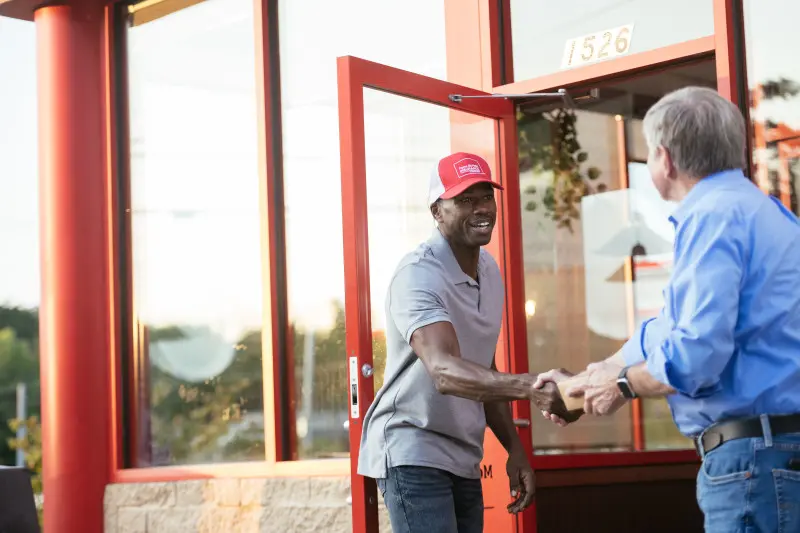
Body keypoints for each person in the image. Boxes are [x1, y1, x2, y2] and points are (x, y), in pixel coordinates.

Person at [536, 86, 800, 533]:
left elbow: (697, 353)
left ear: (665, 158)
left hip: (752, 461)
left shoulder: (711, 217)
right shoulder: (765, 212)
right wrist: (596, 374)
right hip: (774, 454)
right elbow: (672, 328)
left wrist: (621, 384)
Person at [357, 152, 575, 533]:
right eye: (464, 200)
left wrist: (515, 450)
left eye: (485, 196)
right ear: (437, 212)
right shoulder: (417, 274)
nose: (480, 208)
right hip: (413, 448)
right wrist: (533, 387)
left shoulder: (489, 272)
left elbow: (481, 368)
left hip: (463, 456)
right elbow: (445, 370)